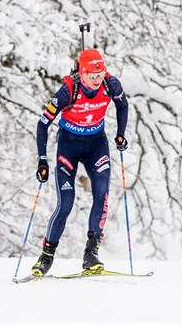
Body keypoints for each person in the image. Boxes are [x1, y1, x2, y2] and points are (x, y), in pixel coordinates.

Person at [31, 48, 129, 276]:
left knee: (102, 192)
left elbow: (123, 105)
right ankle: (46, 257)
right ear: (82, 73)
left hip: (97, 145)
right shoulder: (68, 90)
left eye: (101, 73)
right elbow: (42, 124)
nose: (97, 79)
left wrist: (121, 134)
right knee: (66, 203)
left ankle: (91, 254)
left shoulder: (110, 84)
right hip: (69, 146)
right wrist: (42, 160)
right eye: (92, 75)